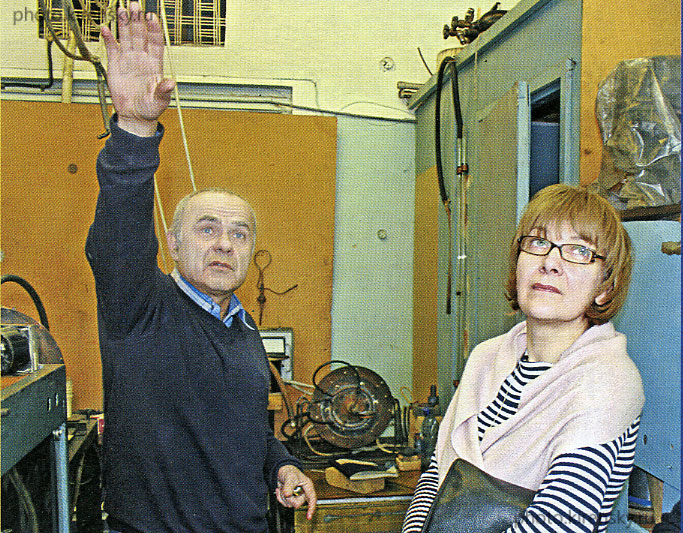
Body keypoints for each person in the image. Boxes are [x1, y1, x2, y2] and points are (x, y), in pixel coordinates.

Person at [85, 3, 316, 531]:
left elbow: (244, 431)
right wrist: (135, 130)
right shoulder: (138, 307)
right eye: (206, 229)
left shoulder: (243, 327)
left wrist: (281, 465)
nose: (225, 245)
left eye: (240, 234)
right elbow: (118, 235)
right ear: (172, 242)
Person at [402, 184, 644, 533]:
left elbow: (557, 524)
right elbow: (436, 475)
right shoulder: (485, 358)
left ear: (605, 288)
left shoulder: (608, 382)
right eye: (538, 242)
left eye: (579, 251)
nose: (550, 263)